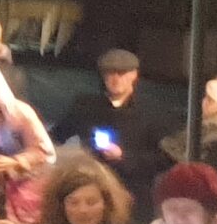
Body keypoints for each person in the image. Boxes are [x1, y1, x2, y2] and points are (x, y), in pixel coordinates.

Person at [53, 49, 172, 205]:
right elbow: (56, 136)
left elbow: (164, 159)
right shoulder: (86, 107)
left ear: (133, 75)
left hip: (132, 194)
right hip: (91, 190)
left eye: (121, 73)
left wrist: (124, 156)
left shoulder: (152, 112)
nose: (115, 79)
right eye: (110, 74)